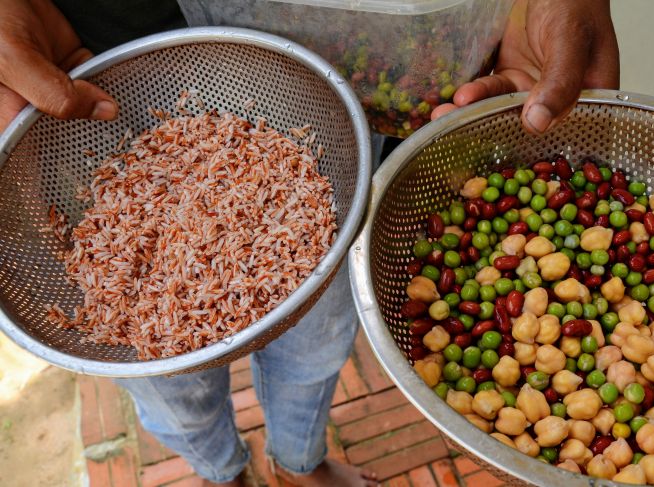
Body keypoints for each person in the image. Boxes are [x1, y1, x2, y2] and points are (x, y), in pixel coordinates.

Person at [0, 0, 618, 485]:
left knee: (317, 349)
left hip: (341, 74)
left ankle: (297, 462)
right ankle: (219, 471)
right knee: (172, 389)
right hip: (95, 79)